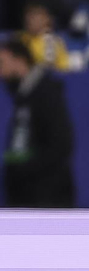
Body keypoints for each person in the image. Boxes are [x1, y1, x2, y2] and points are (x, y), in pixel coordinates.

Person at [1, 38, 75, 207]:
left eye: (2, 63)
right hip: (28, 197)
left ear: (20, 61)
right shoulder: (24, 96)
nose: (1, 71)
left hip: (46, 200)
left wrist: (23, 168)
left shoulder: (45, 93)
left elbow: (61, 145)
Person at [18, 2, 70, 72]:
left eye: (35, 15)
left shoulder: (52, 42)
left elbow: (52, 69)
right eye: (29, 15)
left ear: (46, 19)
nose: (30, 19)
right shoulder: (18, 38)